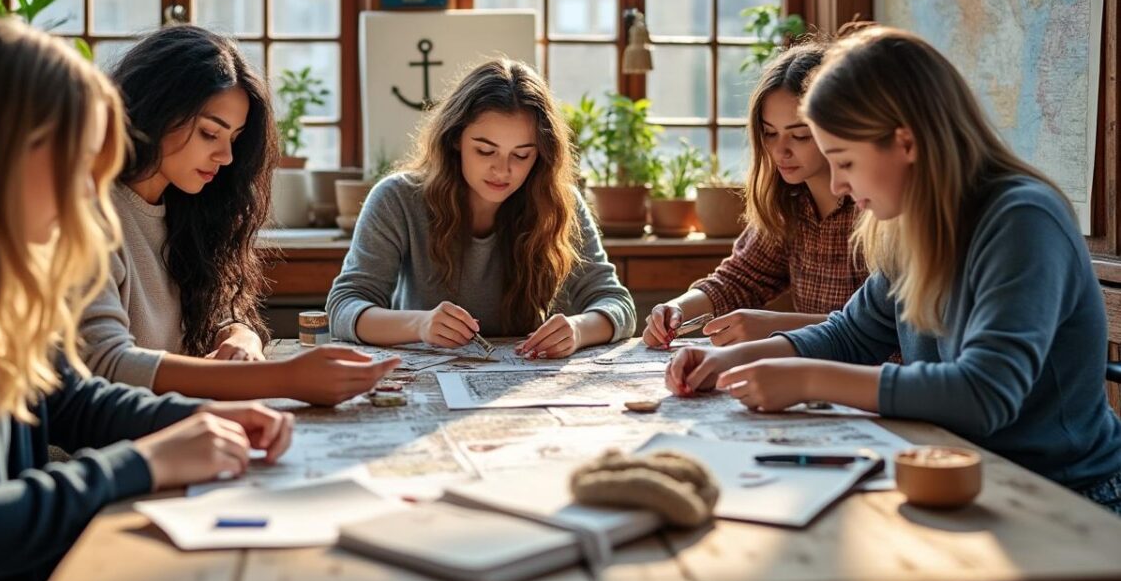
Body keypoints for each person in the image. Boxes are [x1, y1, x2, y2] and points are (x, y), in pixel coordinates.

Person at [0, 20, 297, 581]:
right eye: (79, 167)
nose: (91, 194)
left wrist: (201, 421)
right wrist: (143, 463)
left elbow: (69, 400)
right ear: (3, 151)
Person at [666, 25, 1121, 514]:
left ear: (905, 142)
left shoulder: (1021, 219)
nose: (838, 185)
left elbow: (984, 393)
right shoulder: (911, 221)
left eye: (843, 160)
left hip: (1064, 495)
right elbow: (852, 333)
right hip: (961, 469)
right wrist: (736, 359)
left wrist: (805, 380)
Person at [82, 25, 396, 404]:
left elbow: (220, 312)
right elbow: (103, 365)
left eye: (233, 139)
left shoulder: (187, 209)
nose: (227, 157)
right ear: (155, 111)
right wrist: (280, 379)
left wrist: (240, 338)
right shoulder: (87, 214)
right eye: (209, 134)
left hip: (179, 433)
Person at [327, 58, 635, 358]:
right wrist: (419, 324)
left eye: (521, 155)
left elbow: (616, 303)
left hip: (523, 386)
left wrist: (579, 329)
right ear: (456, 139)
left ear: (540, 155)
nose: (502, 170)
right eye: (485, 150)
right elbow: (344, 306)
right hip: (422, 384)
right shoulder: (397, 199)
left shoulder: (559, 204)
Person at [644, 40, 867, 349]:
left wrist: (775, 325)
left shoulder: (876, 206)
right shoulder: (788, 203)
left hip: (878, 383)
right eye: (769, 133)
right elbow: (739, 280)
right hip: (813, 379)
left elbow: (881, 326)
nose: (779, 150)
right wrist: (678, 309)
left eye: (799, 135)